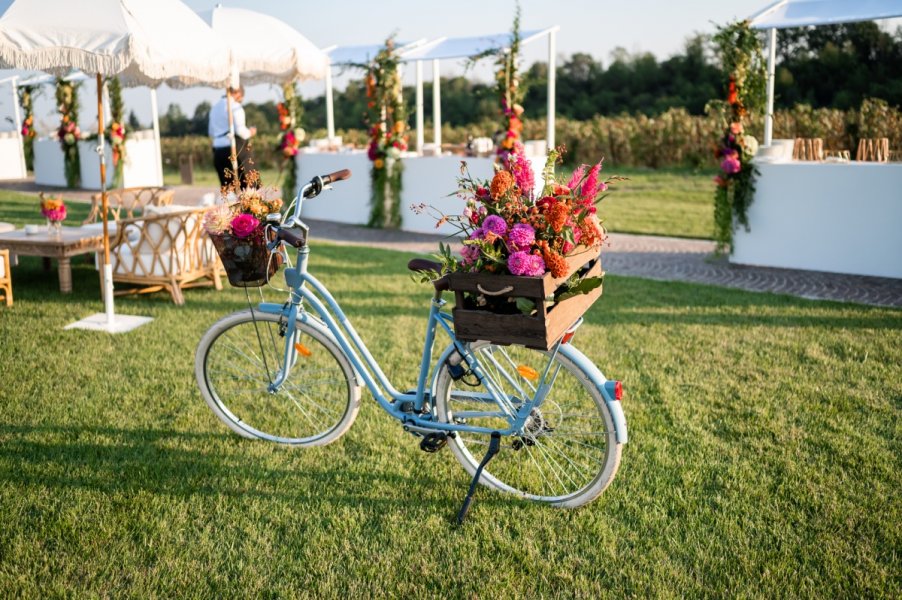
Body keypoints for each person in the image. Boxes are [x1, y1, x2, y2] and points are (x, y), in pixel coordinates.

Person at [209, 86, 257, 188]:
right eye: (241, 99)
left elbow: (211, 132)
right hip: (233, 148)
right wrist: (251, 132)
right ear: (238, 93)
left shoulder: (214, 108)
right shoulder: (235, 106)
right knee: (247, 186)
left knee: (227, 188)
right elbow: (241, 131)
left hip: (218, 150)